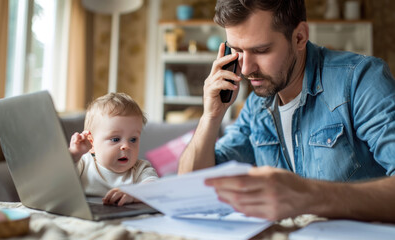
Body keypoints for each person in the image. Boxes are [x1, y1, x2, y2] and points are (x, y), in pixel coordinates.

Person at [178, 0, 395, 222]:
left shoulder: (361, 80)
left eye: (261, 50)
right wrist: (211, 116)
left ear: (299, 37)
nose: (245, 69)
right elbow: (191, 189)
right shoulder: (256, 108)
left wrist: (310, 196)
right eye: (237, 51)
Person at [69, 93, 158, 206]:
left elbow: (154, 188)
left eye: (133, 139)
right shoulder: (83, 163)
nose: (126, 146)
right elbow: (59, 179)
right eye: (115, 139)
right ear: (92, 143)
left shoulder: (140, 169)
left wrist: (134, 194)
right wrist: (73, 155)